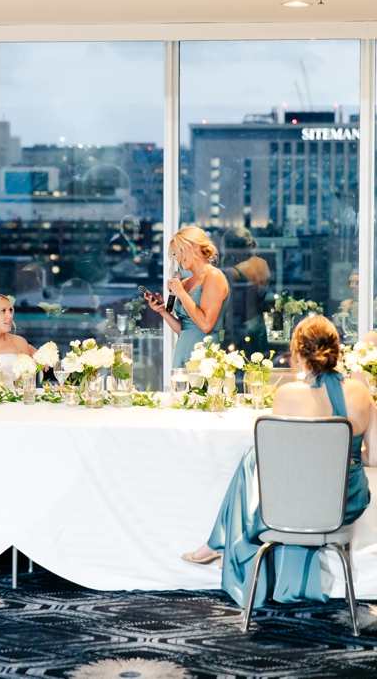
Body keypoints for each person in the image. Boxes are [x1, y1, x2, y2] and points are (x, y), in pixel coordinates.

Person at [182, 316, 374, 607]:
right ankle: (216, 543)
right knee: (255, 456)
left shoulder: (288, 394)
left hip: (298, 503)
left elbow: (284, 460)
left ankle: (220, 542)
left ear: (297, 352)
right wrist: (344, 452)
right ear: (337, 348)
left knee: (253, 456)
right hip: (345, 500)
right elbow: (374, 456)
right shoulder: (361, 390)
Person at [144, 227, 229, 368]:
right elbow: (185, 330)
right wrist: (163, 311)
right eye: (174, 253)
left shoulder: (213, 276)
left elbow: (206, 326)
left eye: (179, 251)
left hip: (204, 357)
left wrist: (181, 294)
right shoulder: (185, 282)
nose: (177, 257)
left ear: (195, 248)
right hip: (183, 352)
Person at [220, 227, 270, 355]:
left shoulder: (233, 272)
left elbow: (230, 308)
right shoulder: (263, 263)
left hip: (241, 329)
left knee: (239, 369)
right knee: (259, 369)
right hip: (259, 325)